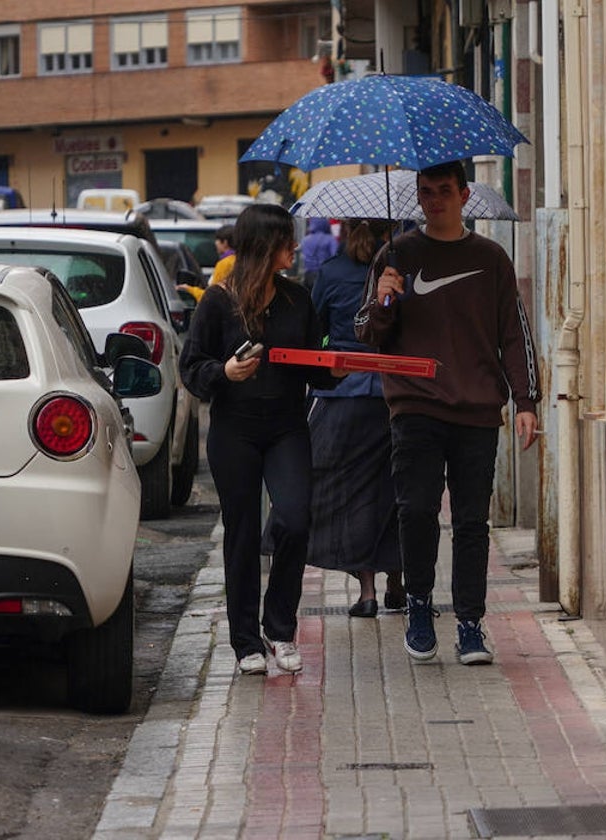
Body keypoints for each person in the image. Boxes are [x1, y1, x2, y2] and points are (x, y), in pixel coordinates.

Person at [354, 159, 540, 666]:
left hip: (477, 409)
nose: (433, 199)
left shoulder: (491, 259)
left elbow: (514, 334)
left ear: (463, 194)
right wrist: (383, 299)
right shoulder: (396, 255)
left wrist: (526, 401)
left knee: (472, 522)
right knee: (415, 511)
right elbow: (367, 334)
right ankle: (418, 605)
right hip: (414, 406)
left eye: (443, 190)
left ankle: (470, 624)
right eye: (425, 191)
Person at [180, 203, 342, 675]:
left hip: (288, 427)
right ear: (262, 246)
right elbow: (191, 367)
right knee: (243, 533)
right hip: (234, 431)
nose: (294, 247)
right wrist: (224, 372)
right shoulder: (217, 301)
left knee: (293, 519)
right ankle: (246, 641)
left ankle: (280, 628)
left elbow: (317, 363)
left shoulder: (298, 299)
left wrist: (335, 366)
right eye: (285, 240)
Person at [306, 219, 404, 617]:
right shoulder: (400, 271)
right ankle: (398, 583)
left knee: (351, 496)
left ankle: (367, 592)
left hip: (341, 398)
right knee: (397, 488)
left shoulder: (329, 273)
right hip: (394, 395)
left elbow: (317, 333)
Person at [300, 217, 339, 289]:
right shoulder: (330, 239)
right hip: (324, 274)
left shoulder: (305, 240)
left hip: (308, 274)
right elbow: (335, 256)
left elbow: (303, 256)